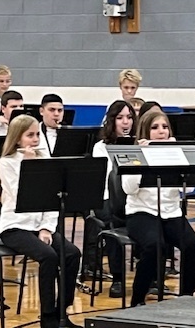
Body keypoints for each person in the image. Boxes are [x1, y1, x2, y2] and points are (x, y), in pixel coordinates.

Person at [0, 115, 81, 328]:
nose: (35, 139)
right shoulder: (6, 163)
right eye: (30, 135)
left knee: (72, 254)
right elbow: (20, 196)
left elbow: (54, 198)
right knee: (48, 257)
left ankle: (63, 311)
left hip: (39, 227)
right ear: (17, 139)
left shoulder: (46, 159)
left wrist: (46, 228)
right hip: (14, 227)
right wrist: (29, 166)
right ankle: (48, 317)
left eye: (37, 134)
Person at [124, 110, 195, 307]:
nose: (161, 132)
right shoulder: (134, 152)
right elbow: (129, 188)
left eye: (165, 127)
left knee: (193, 245)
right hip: (141, 212)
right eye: (155, 128)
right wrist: (141, 158)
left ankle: (186, 296)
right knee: (154, 245)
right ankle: (138, 299)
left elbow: (190, 187)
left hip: (171, 212)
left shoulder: (174, 151)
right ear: (145, 131)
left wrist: (178, 158)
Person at [84, 100, 136, 297]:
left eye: (129, 118)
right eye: (120, 118)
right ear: (111, 121)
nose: (125, 122)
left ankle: (152, 278)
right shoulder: (101, 146)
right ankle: (118, 278)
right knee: (111, 223)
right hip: (107, 198)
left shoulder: (139, 143)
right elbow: (105, 178)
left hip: (133, 198)